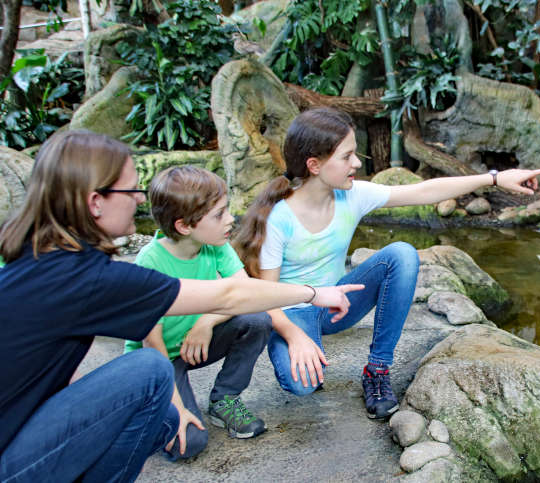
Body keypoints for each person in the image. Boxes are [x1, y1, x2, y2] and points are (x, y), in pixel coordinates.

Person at [0, 130, 362, 482]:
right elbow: (228, 295)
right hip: (10, 459)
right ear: (96, 202)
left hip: (18, 429)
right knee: (149, 371)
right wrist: (313, 293)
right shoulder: (84, 278)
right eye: (131, 190)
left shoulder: (34, 255)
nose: (140, 200)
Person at [233, 107, 540, 419]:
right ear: (314, 165)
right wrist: (293, 336)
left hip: (336, 304)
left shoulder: (352, 195)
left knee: (402, 254)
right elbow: (265, 295)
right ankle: (301, 347)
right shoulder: (278, 218)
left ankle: (377, 370)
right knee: (301, 384)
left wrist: (495, 178)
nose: (357, 163)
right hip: (292, 312)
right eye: (347, 157)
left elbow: (424, 191)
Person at [123, 166, 270, 461]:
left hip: (195, 343)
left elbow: (246, 295)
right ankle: (144, 409)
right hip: (158, 359)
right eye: (219, 214)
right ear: (184, 226)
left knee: (257, 320)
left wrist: (206, 321)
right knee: (187, 444)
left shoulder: (215, 246)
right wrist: (175, 404)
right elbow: (152, 344)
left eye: (226, 210)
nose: (230, 219)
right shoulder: (149, 262)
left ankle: (224, 398)